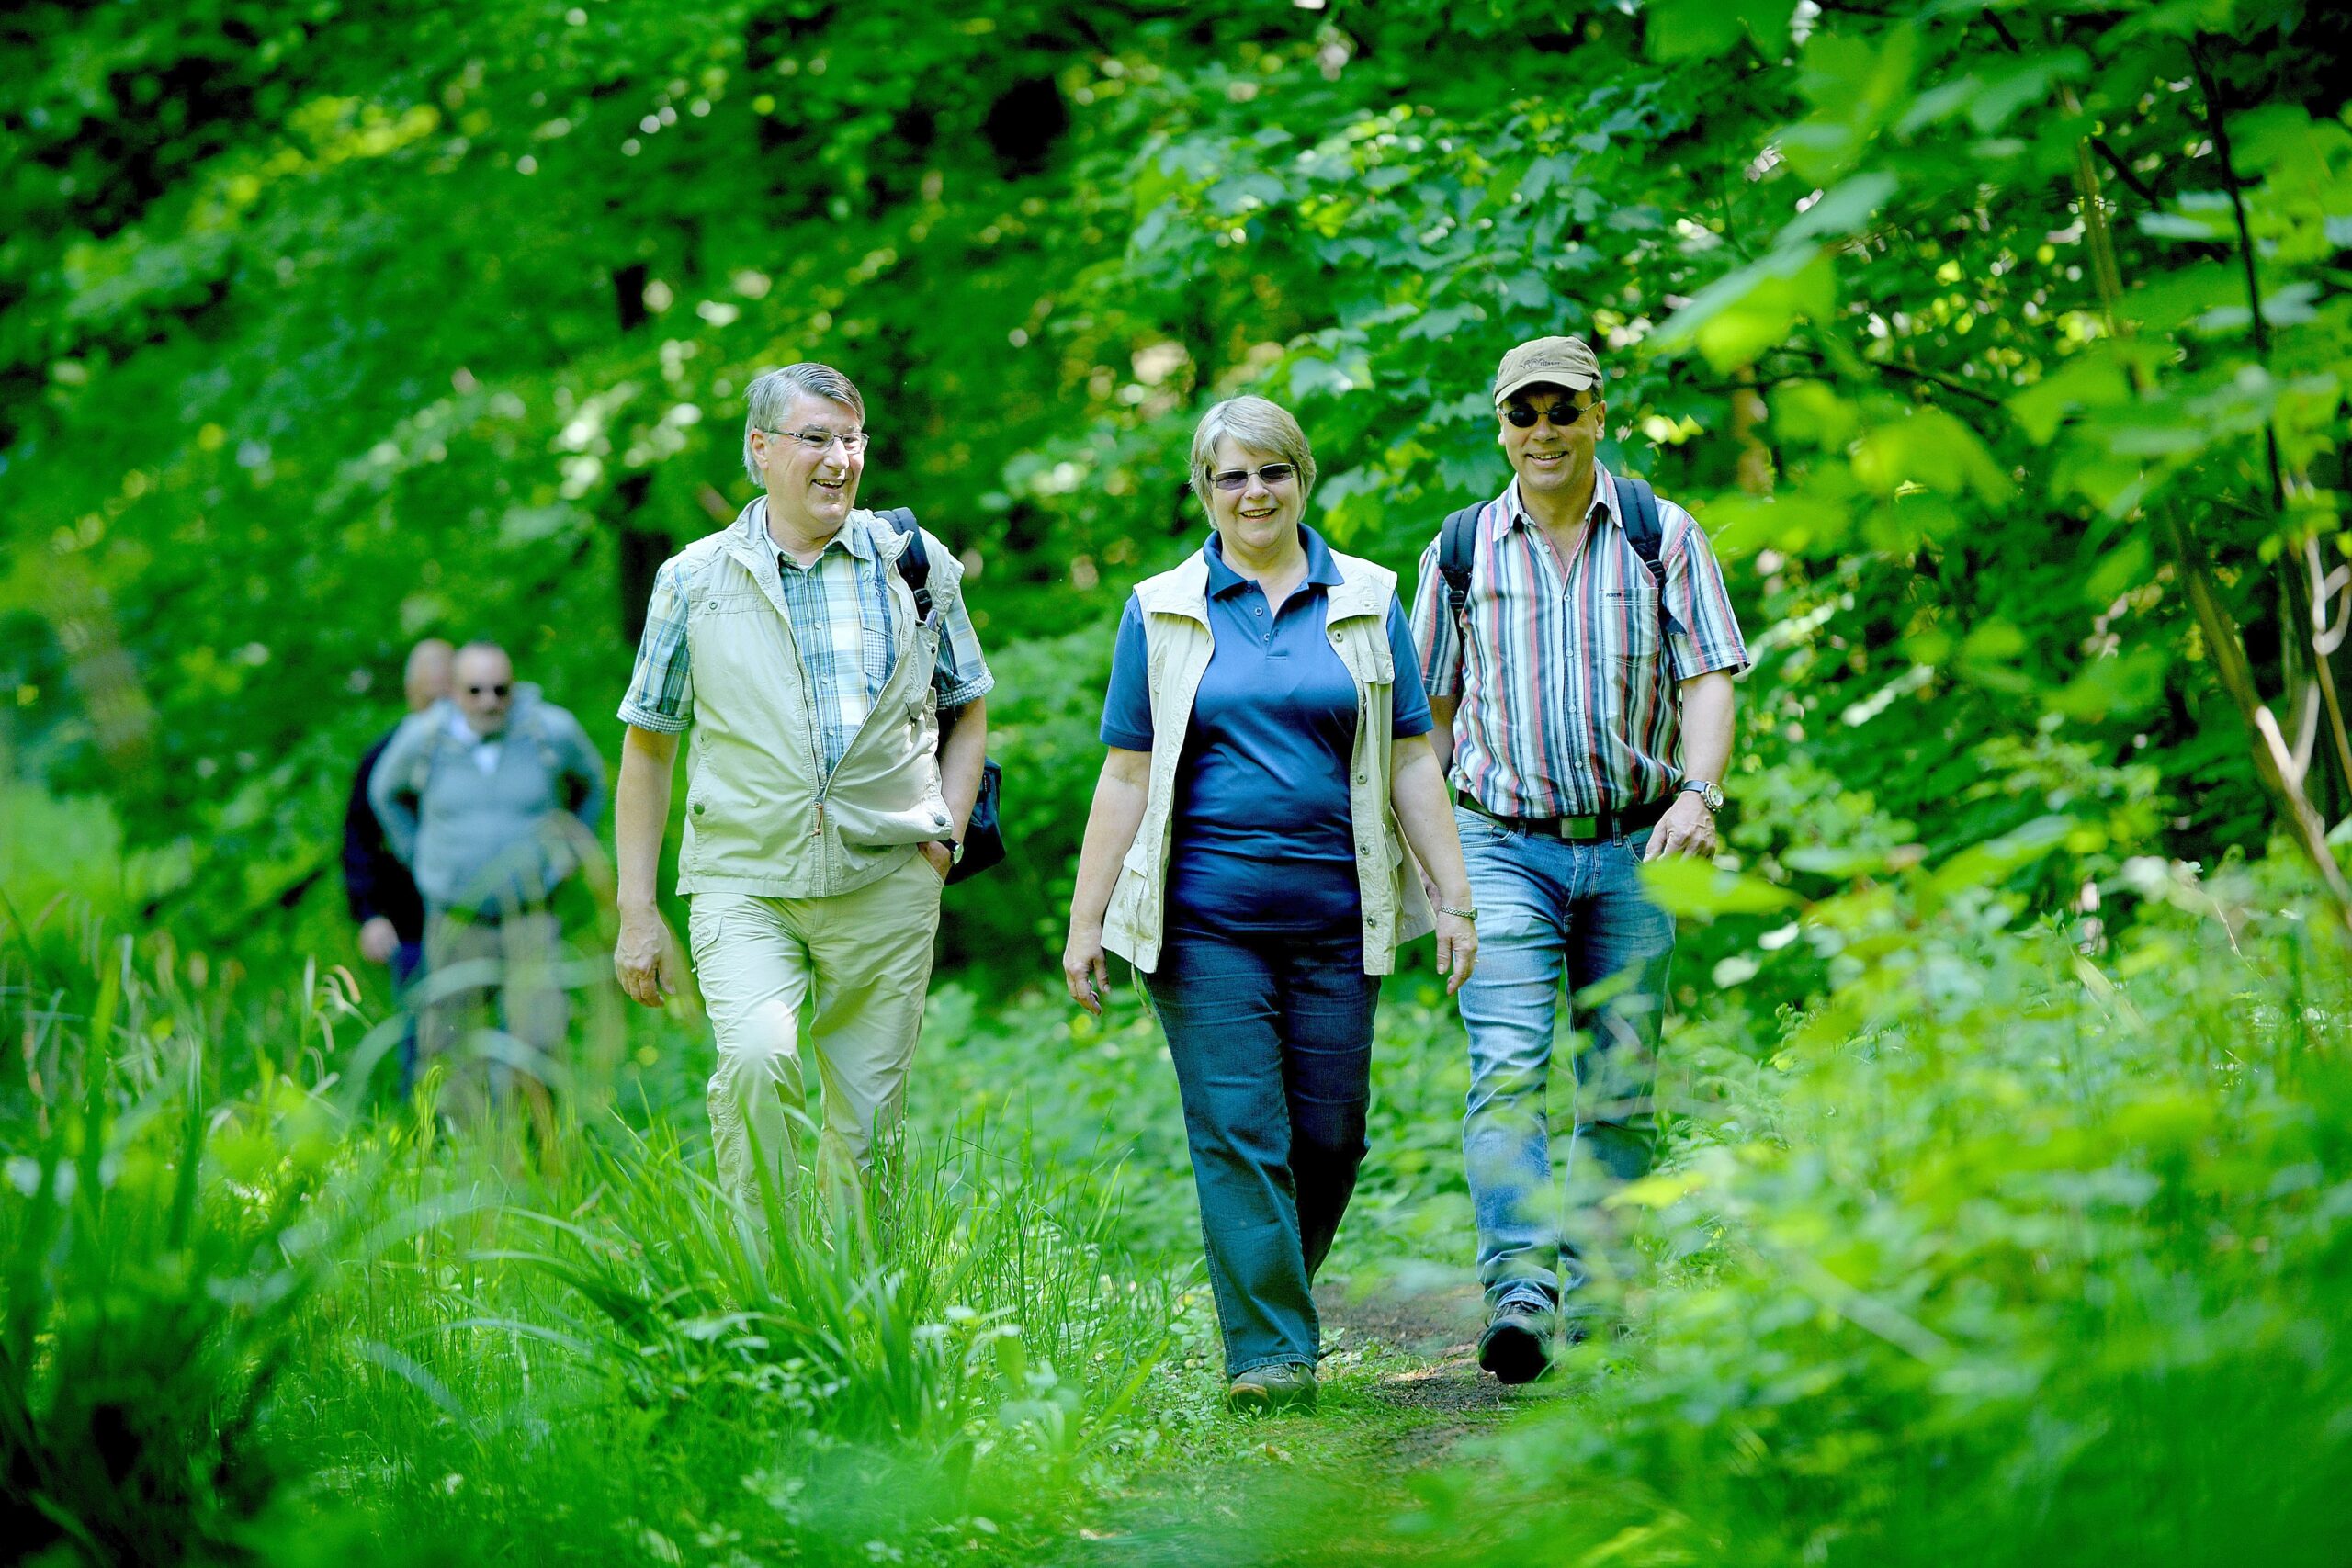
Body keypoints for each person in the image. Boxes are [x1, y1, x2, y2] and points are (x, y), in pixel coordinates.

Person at [1063, 396, 1478, 1416]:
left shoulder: (1370, 599)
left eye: (1271, 472)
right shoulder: (1161, 606)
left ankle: (1270, 1298)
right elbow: (1125, 773)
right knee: (1239, 1130)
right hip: (1202, 921)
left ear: (1302, 477)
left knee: (1330, 1138)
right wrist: (1086, 921)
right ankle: (1270, 1354)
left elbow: (1413, 760)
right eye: (1230, 477)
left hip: (1341, 916)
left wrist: (1454, 898)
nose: (1253, 494)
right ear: (1204, 493)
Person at [1408, 334, 1748, 1384]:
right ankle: (1520, 1292)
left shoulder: (1661, 533)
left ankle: (1602, 1287)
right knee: (1507, 1074)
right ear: (1500, 428)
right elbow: (1425, 715)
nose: (1543, 433)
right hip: (1501, 845)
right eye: (1524, 414)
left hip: (1638, 844)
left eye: (1563, 411)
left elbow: (1710, 674)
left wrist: (1699, 794)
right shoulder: (1460, 549)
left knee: (1617, 1079)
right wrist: (1436, 871)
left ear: (1600, 413)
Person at [610, 362, 993, 1214]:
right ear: (761, 448)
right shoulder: (693, 579)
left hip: (888, 877)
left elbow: (968, 710)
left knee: (865, 1126)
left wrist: (944, 841)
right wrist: (638, 911)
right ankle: (770, 1299)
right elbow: (648, 749)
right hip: (745, 880)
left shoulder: (914, 565)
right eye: (816, 438)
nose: (840, 459)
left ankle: (852, 1324)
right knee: (755, 1061)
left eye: (852, 439)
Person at [370, 641, 608, 1112]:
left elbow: (593, 781)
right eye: (475, 690)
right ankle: (463, 1156)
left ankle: (534, 1154)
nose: (488, 702)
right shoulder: (425, 738)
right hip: (456, 917)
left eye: (500, 690)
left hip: (531, 917)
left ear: (514, 688)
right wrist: (421, 856)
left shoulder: (549, 731)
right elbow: (384, 792)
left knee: (539, 1037)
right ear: (455, 692)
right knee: (450, 1042)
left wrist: (567, 853)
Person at [344, 638, 451, 1091]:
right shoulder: (384, 755)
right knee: (421, 1034)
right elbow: (358, 839)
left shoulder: (480, 753)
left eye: (445, 690)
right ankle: (428, 1142)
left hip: (480, 916)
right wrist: (369, 915)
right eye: (427, 693)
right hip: (410, 923)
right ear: (410, 691)